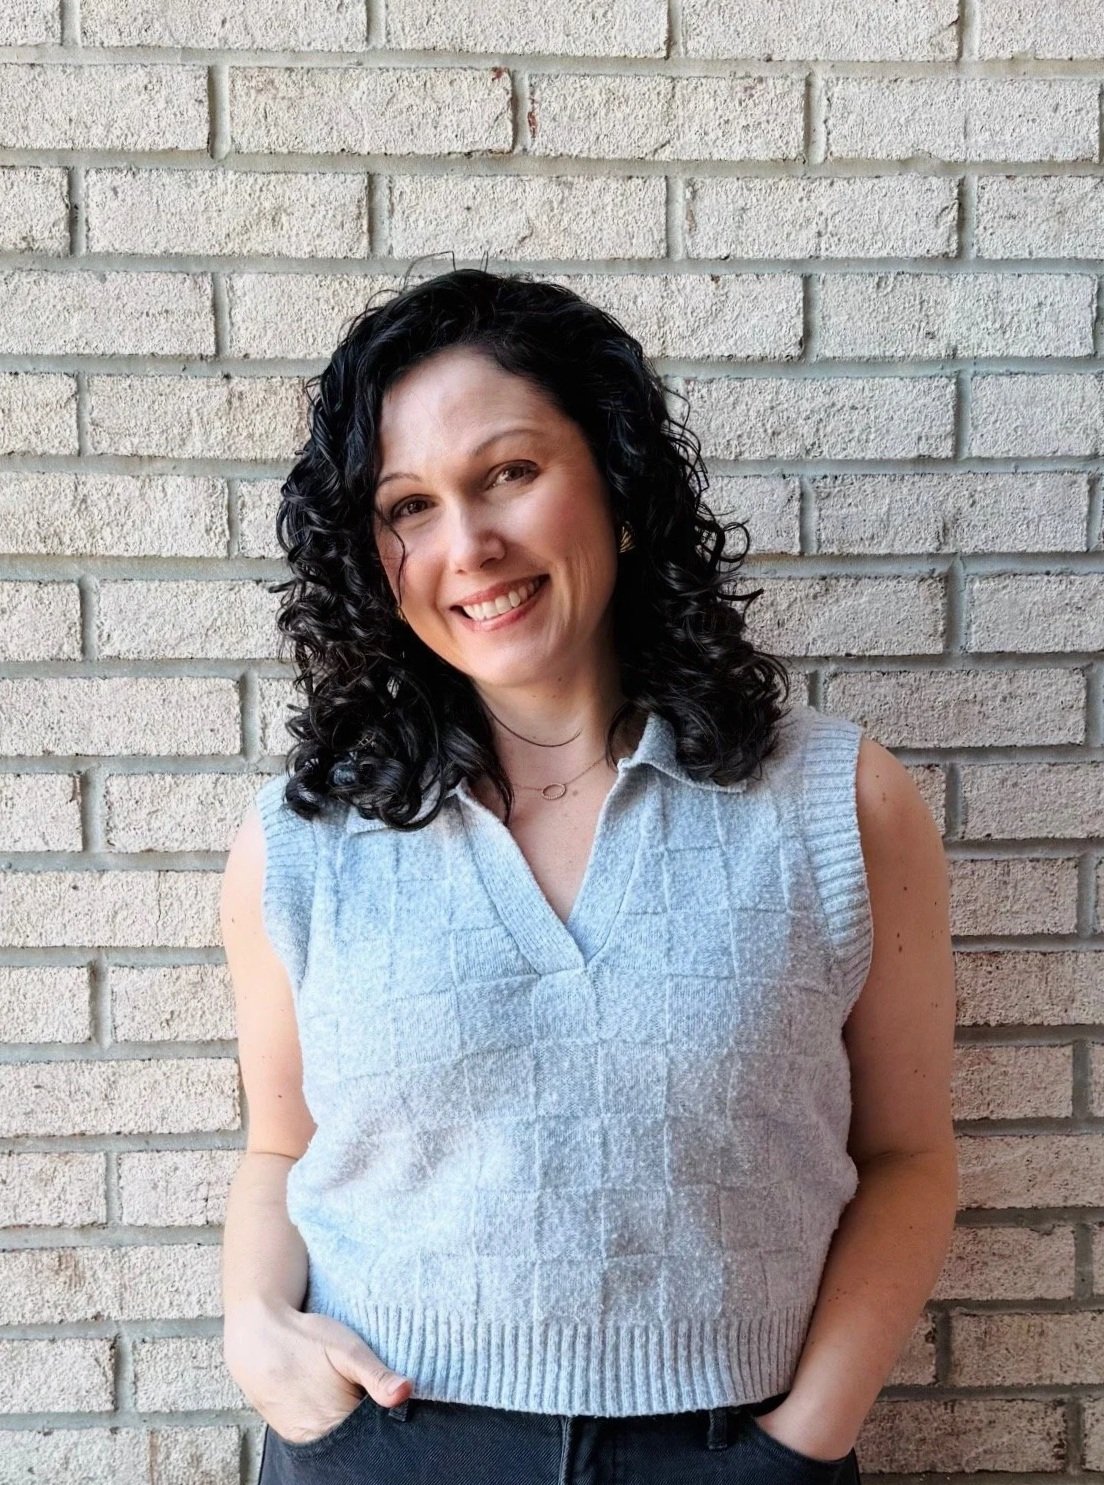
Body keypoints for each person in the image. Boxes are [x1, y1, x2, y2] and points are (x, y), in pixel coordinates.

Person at [219, 264, 958, 1484]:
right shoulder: (301, 844)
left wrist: (796, 1447)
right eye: (409, 505)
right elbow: (280, 1149)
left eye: (509, 472)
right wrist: (257, 1330)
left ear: (616, 482)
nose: (470, 545)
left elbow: (910, 1160)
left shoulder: (839, 805)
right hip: (386, 1442)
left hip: (734, 1448)